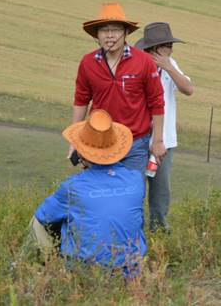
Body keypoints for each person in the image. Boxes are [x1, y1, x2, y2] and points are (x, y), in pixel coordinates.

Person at [30, 109, 146, 277]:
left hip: (85, 272)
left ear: (82, 153)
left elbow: (42, 218)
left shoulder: (72, 187)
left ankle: (51, 269)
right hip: (131, 271)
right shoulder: (136, 180)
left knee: (40, 221)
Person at [69, 2, 166, 175]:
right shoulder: (87, 63)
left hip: (135, 143)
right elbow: (81, 100)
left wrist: (157, 141)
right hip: (99, 141)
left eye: (115, 30)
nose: (110, 36)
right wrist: (74, 140)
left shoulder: (144, 62)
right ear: (97, 35)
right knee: (100, 194)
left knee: (132, 195)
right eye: (104, 30)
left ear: (126, 33)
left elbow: (157, 102)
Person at [135, 22, 194, 231]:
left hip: (165, 141)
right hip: (138, 139)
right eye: (167, 45)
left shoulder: (171, 64)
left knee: (161, 190)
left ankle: (159, 230)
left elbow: (188, 89)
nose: (171, 49)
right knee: (135, 188)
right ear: (155, 48)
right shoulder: (137, 64)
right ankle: (134, 229)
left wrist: (168, 66)